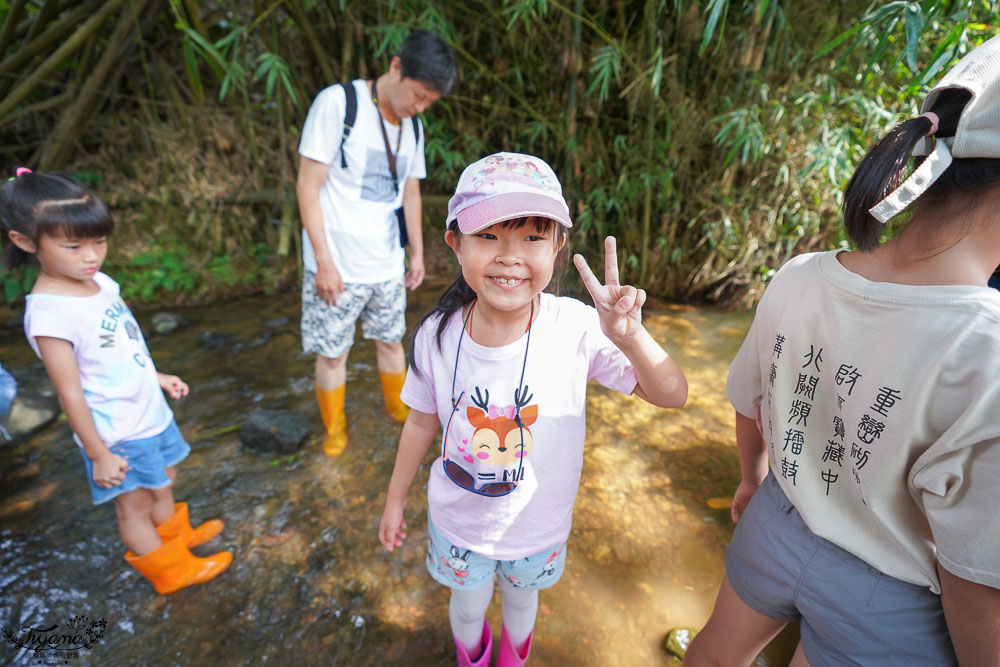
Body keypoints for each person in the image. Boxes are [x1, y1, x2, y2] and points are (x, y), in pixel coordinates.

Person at [684, 36, 1000, 667]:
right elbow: (973, 576)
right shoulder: (985, 350)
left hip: (776, 519)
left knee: (714, 653)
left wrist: (752, 478)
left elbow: (749, 402)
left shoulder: (801, 274)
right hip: (891, 592)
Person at [378, 152, 688, 666]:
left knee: (523, 602)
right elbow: (419, 420)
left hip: (538, 529)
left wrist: (632, 338)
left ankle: (512, 661)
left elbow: (671, 393)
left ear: (558, 244)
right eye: (489, 236)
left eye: (531, 237)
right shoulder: (436, 335)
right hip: (458, 525)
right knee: (468, 603)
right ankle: (472, 659)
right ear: (455, 242)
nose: (509, 256)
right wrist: (394, 501)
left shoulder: (576, 327)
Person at [0, 169, 232, 595]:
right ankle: (173, 572)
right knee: (135, 505)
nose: (92, 256)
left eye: (99, 242)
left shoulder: (98, 282)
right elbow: (69, 392)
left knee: (164, 479)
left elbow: (121, 344)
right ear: (26, 242)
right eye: (73, 246)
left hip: (148, 410)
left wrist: (156, 375)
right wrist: (99, 453)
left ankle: (178, 537)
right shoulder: (50, 315)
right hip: (117, 432)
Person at [296, 30, 457, 456]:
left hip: (386, 261)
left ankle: (397, 412)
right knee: (333, 354)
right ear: (395, 66)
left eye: (428, 103)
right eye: (418, 95)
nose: (419, 107)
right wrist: (324, 263)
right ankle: (335, 431)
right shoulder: (338, 104)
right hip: (337, 263)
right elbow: (308, 187)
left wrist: (417, 253)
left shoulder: (414, 127)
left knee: (391, 341)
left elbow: (411, 192)